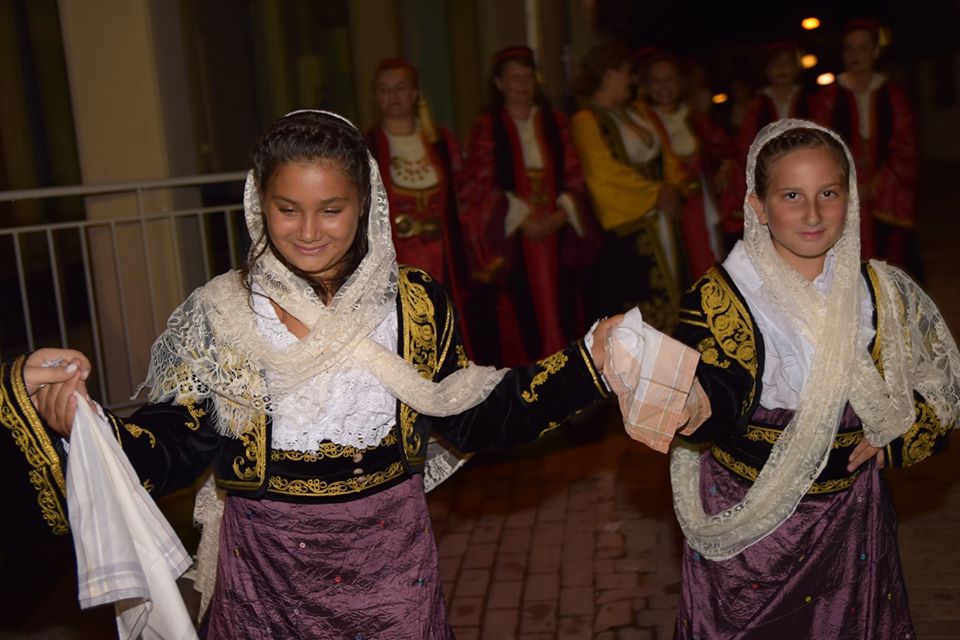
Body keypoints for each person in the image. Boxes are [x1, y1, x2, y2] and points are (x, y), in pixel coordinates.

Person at [2, 110, 619, 639]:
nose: (307, 231)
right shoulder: (224, 313)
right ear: (259, 204)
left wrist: (588, 362)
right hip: (265, 578)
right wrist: (81, 427)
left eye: (331, 210)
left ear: (365, 205)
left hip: (392, 571)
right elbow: (178, 440)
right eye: (287, 209)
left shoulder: (414, 306)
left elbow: (476, 413)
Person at [665, 119, 958, 637]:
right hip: (750, 519)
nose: (813, 213)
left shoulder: (880, 290)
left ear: (851, 198)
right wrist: (684, 404)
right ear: (757, 206)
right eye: (791, 196)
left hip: (849, 515)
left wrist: (896, 435)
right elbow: (705, 396)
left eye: (828, 193)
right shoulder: (721, 298)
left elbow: (942, 384)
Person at [462, 46, 599, 366]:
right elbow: (478, 184)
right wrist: (523, 219)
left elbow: (575, 174)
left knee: (565, 304)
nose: (523, 85)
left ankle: (569, 378)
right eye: (514, 78)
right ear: (499, 83)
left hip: (558, 231)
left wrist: (560, 215)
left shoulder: (555, 122)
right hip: (514, 237)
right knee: (521, 309)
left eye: (528, 77)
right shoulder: (488, 128)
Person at [570, 43, 686, 330]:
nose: (632, 80)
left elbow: (667, 154)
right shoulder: (586, 121)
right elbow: (603, 176)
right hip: (631, 227)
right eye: (627, 73)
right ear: (608, 75)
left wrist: (673, 186)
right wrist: (657, 195)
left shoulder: (637, 111)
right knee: (641, 306)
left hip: (663, 220)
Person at [365, 58, 474, 354]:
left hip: (446, 257)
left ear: (415, 93)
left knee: (448, 328)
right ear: (376, 96)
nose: (393, 96)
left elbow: (465, 196)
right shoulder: (367, 146)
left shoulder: (441, 141)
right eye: (384, 89)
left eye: (400, 87)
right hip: (396, 257)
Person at [812, 20, 920, 276]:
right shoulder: (827, 96)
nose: (855, 55)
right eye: (849, 48)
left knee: (887, 258)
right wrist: (847, 182)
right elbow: (819, 143)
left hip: (883, 191)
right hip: (841, 188)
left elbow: (905, 145)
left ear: (875, 51)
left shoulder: (893, 95)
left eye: (862, 48)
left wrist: (879, 183)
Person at [641, 52, 740, 278]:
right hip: (661, 210)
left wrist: (724, 169)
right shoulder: (641, 124)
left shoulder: (695, 120)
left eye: (670, 79)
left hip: (698, 210)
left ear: (680, 82)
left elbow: (724, 151)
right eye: (656, 80)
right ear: (646, 86)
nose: (664, 86)